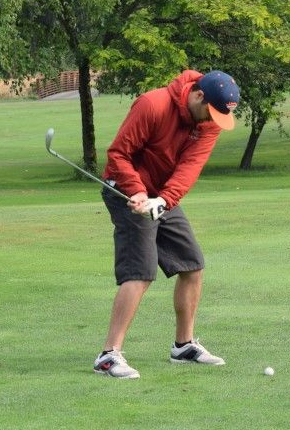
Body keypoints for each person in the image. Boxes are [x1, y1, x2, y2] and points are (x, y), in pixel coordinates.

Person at [94, 69, 240, 379]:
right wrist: (136, 191)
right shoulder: (152, 104)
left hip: (160, 195)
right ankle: (108, 355)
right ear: (198, 95)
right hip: (123, 188)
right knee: (141, 271)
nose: (213, 120)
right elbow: (119, 154)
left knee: (191, 264)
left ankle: (183, 346)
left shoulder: (208, 122)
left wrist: (163, 200)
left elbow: (190, 166)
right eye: (211, 112)